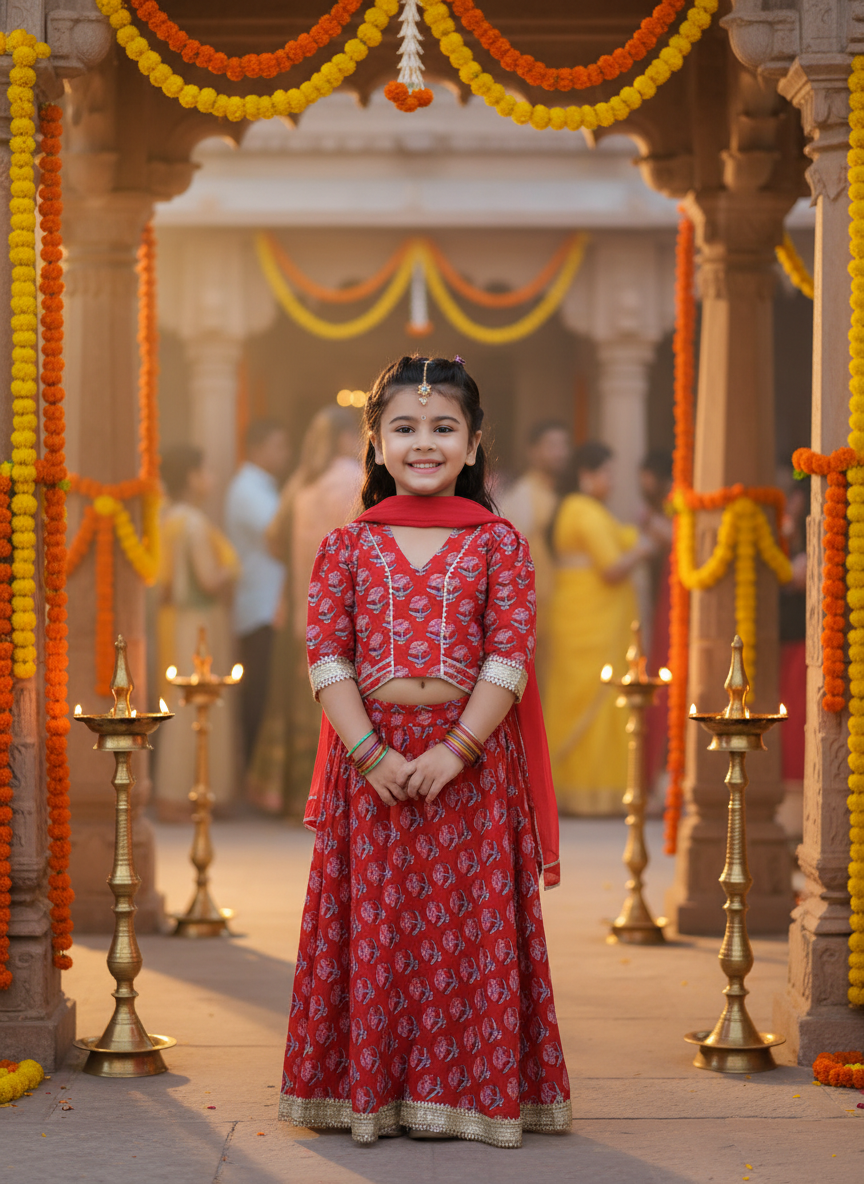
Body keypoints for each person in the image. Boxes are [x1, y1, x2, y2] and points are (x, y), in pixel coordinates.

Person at [279, 356, 570, 1147]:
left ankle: (467, 1097)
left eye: (444, 428)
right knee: (377, 930)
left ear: (474, 444)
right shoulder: (346, 546)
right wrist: (372, 755)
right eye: (405, 428)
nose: (424, 443)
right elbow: (328, 657)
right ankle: (372, 1094)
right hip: (368, 765)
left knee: (466, 937)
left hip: (470, 772)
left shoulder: (499, 544)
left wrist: (455, 751)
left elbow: (509, 657)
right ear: (376, 443)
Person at [244, 406, 362, 815]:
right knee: (337, 697)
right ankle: (330, 802)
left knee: (296, 699)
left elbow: (274, 539)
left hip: (297, 606)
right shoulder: (352, 477)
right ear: (347, 438)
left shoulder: (300, 481)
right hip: (341, 607)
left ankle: (292, 799)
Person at [544, 442, 657, 815]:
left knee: (599, 696)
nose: (610, 480)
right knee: (594, 694)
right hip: (589, 619)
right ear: (585, 476)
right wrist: (643, 548)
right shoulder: (582, 509)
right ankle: (586, 792)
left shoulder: (583, 509)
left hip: (588, 614)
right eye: (605, 472)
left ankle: (593, 790)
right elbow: (611, 568)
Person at [154, 445, 240, 820]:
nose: (212, 478)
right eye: (206, 470)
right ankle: (200, 793)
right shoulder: (192, 523)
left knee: (179, 703)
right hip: (201, 624)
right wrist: (233, 572)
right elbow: (207, 578)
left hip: (177, 619)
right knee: (204, 704)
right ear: (191, 476)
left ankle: (176, 793)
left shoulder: (166, 516)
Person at [225, 419, 290, 768]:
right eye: (279, 446)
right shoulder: (247, 488)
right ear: (257, 448)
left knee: (265, 693)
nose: (286, 454)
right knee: (258, 695)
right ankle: (252, 770)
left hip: (268, 603)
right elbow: (278, 537)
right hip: (258, 605)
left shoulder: (262, 486)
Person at [498, 420, 572, 676]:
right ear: (533, 451)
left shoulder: (561, 495)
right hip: (532, 608)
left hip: (563, 608)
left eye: (564, 445)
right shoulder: (522, 495)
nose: (560, 452)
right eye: (552, 446)